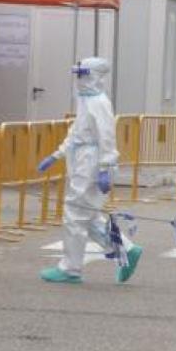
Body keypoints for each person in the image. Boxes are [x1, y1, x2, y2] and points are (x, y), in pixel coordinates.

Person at [36, 57, 141, 285]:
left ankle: (70, 269)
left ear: (93, 75)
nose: (79, 79)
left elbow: (107, 137)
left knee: (75, 214)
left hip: (91, 163)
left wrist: (105, 166)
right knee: (88, 216)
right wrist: (57, 154)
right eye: (77, 74)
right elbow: (76, 133)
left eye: (83, 74)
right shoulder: (87, 100)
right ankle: (125, 250)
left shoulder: (99, 103)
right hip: (83, 160)